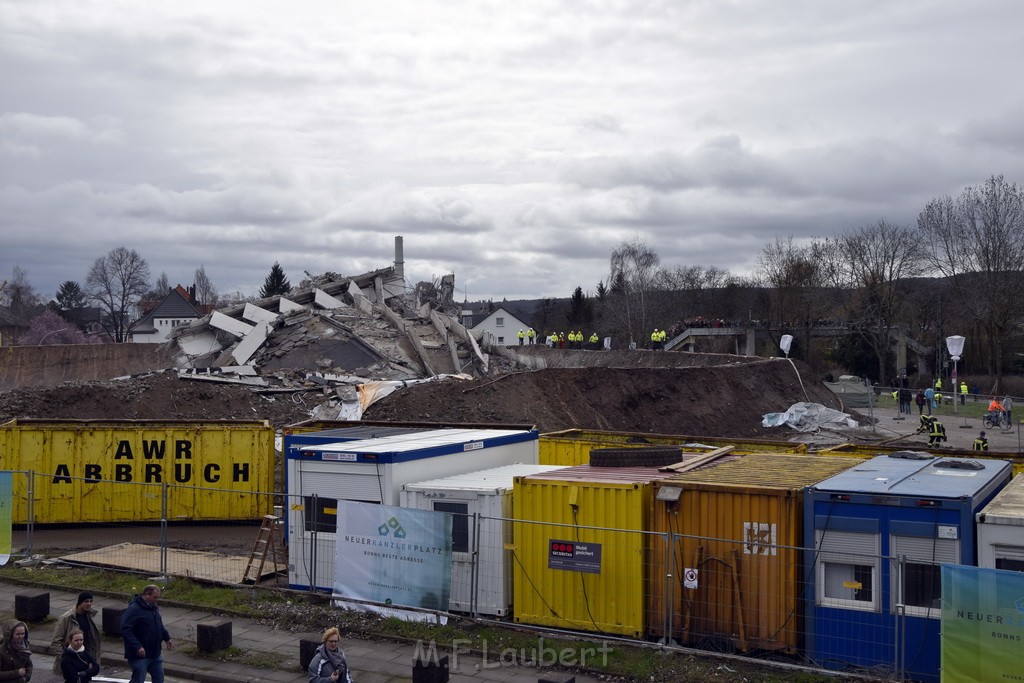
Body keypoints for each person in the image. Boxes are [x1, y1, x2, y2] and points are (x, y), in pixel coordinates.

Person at [120, 585, 172, 683]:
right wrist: (137, 646)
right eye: (154, 597)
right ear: (146, 595)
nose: (156, 600)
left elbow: (159, 625)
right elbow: (125, 629)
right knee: (138, 680)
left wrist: (166, 637)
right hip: (140, 655)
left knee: (159, 679)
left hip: (155, 654)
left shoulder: (154, 608)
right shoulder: (134, 609)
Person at [50, 591, 100, 676]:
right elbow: (56, 641)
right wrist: (64, 658)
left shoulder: (89, 616)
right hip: (71, 660)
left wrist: (92, 660)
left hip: (85, 658)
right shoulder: (67, 618)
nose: (89, 604)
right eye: (86, 601)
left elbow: (93, 640)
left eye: (91, 601)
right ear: (80, 602)